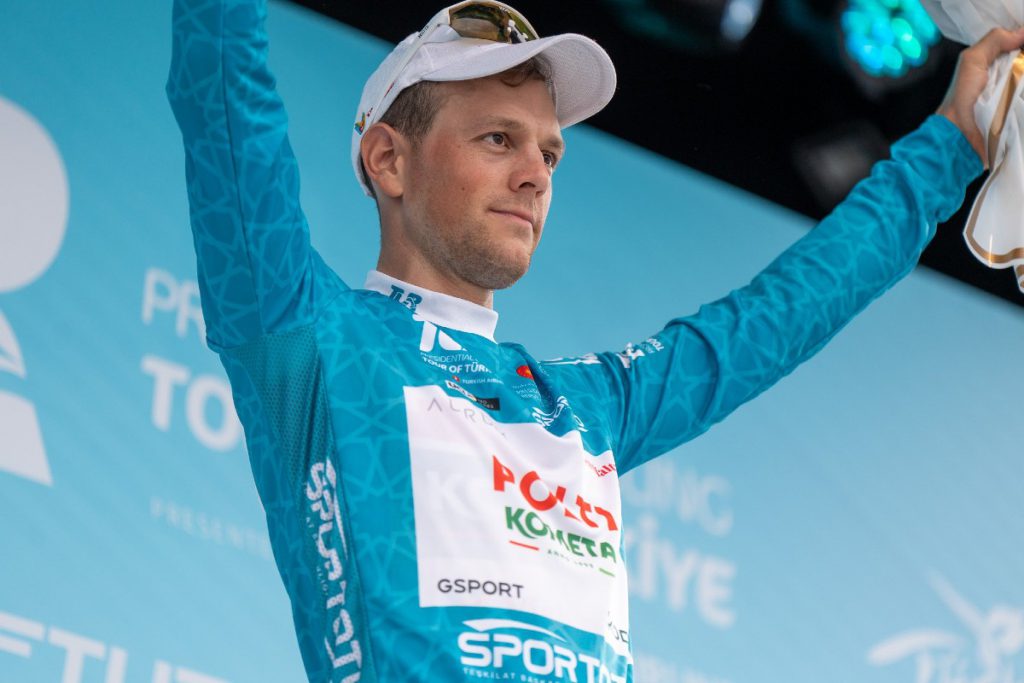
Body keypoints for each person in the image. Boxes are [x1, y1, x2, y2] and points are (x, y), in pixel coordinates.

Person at [166, 0, 1024, 681]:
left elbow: (785, 311)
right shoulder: (310, 340)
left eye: (549, 154)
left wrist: (952, 142)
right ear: (388, 160)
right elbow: (223, 94)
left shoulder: (585, 405)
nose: (535, 174)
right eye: (498, 139)